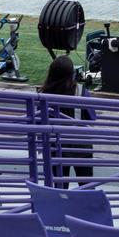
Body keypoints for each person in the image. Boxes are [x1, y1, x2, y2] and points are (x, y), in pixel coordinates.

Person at [39, 56, 95, 188]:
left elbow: (38, 119)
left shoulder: (44, 93)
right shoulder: (81, 91)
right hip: (81, 146)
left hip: (56, 146)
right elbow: (92, 117)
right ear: (72, 73)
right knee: (87, 187)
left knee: (60, 189)